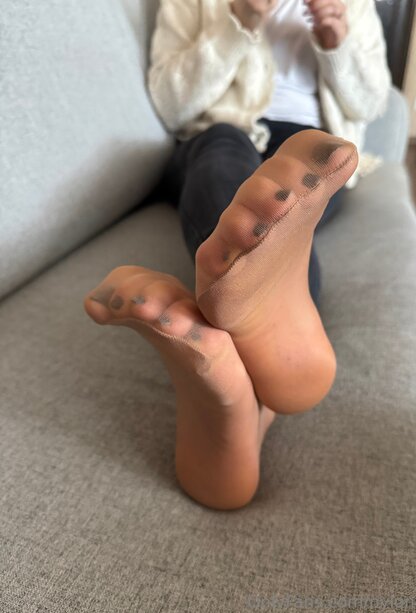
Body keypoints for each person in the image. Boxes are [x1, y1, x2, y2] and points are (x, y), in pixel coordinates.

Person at [84, 0, 391, 510]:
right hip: (221, 138)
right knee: (237, 174)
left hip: (310, 149)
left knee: (298, 191)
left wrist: (338, 45)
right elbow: (170, 103)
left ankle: (236, 405)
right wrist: (237, 24)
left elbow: (372, 102)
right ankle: (270, 365)